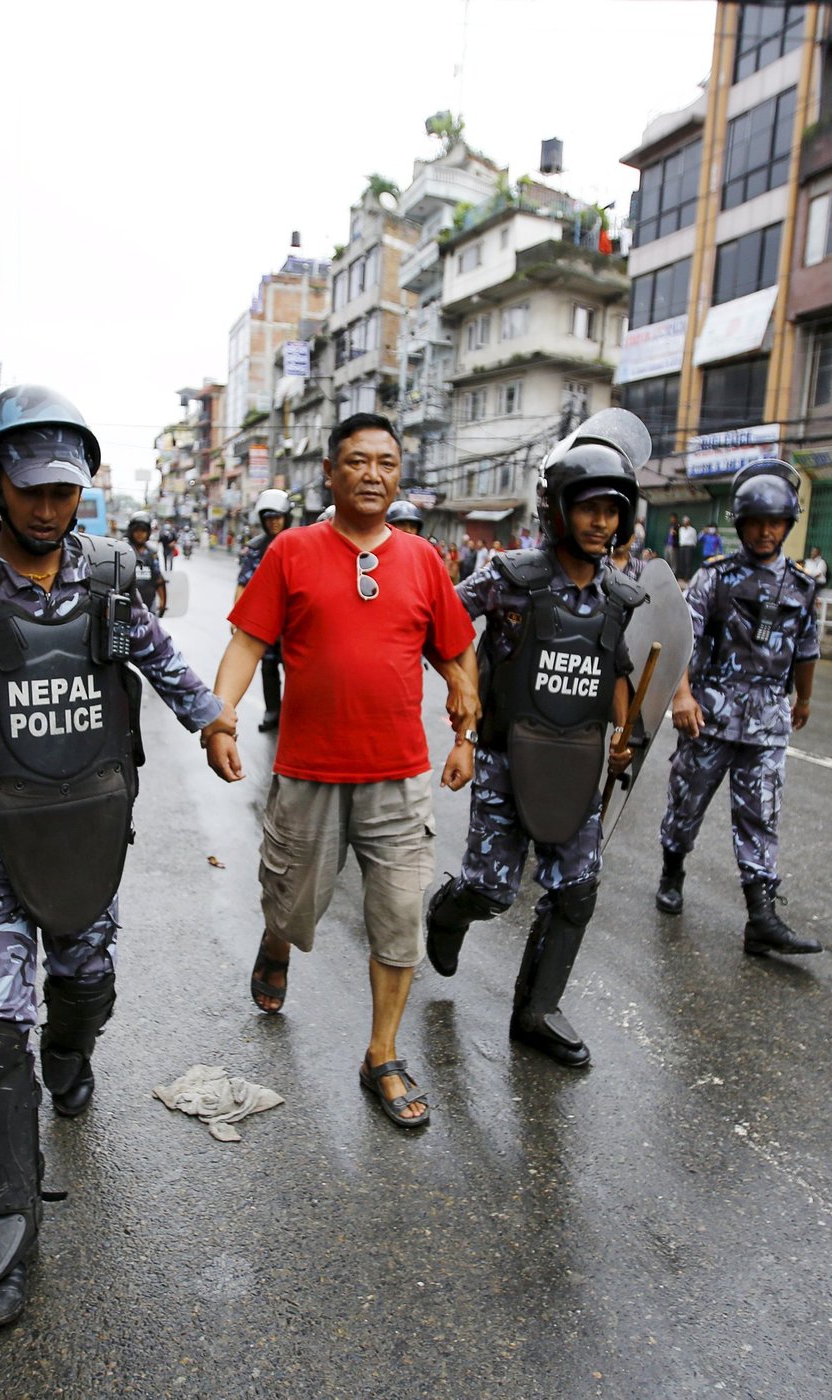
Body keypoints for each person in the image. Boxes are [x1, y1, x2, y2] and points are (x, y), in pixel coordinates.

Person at [0, 385, 233, 1331]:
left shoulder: (110, 580)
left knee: (85, 976)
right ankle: (5, 1222)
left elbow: (162, 660)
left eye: (63, 491)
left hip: (86, 829)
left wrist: (210, 721)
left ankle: (71, 1055)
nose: (46, 508)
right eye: (29, 489)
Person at [207, 414, 479, 1130]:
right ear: (329, 473)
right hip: (308, 772)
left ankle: (381, 1055)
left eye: (386, 463)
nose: (372, 474)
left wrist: (465, 723)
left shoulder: (423, 559)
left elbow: (454, 649)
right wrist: (221, 716)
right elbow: (246, 644)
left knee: (398, 918)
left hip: (397, 778)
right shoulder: (292, 551)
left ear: (398, 475)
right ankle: (277, 941)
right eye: (356, 461)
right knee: (294, 902)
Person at [425, 423, 642, 1067]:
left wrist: (625, 738)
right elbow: (445, 624)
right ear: (557, 509)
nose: (601, 522)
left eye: (612, 510)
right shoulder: (508, 578)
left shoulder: (619, 596)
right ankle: (449, 909)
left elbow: (620, 669)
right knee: (494, 892)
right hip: (502, 758)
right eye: (589, 507)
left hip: (576, 759)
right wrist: (463, 712)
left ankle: (536, 1011)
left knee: (577, 888)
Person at [653, 461, 823, 958]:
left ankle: (761, 916)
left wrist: (805, 698)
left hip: (768, 719)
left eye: (775, 522)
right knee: (687, 804)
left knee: (761, 816)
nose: (766, 531)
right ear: (741, 524)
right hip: (710, 715)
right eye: (756, 522)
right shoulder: (715, 578)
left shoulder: (803, 586)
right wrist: (681, 695)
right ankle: (672, 870)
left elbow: (807, 650)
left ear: (788, 525)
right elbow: (683, 637)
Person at [234, 488, 293, 733]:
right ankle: (273, 711)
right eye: (269, 518)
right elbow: (242, 583)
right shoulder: (255, 548)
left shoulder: (298, 544)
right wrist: (238, 618)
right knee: (268, 668)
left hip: (293, 622)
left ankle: (294, 715)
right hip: (266, 622)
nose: (274, 522)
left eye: (278, 517)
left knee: (296, 670)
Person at [123, 510, 168, 615]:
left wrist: (163, 603)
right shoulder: (124, 550)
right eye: (136, 530)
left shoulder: (152, 554)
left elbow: (158, 580)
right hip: (128, 607)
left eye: (143, 531)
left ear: (148, 532)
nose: (140, 534)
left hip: (149, 607)